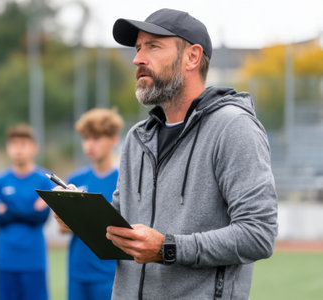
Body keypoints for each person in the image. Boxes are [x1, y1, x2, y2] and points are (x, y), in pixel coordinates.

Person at [104, 8, 278, 300]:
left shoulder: (233, 127)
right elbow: (125, 231)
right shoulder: (137, 137)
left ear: (192, 57)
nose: (137, 59)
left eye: (153, 46)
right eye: (137, 48)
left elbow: (258, 234)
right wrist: (81, 218)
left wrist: (167, 248)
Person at [59, 108, 124, 300]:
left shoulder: (124, 179)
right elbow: (63, 229)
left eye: (96, 138)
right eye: (85, 138)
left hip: (110, 273)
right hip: (77, 271)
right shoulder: (75, 178)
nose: (89, 145)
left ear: (113, 139)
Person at [0, 124, 53, 300]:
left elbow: (41, 217)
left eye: (23, 144)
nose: (18, 149)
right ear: (8, 148)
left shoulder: (44, 181)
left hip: (34, 260)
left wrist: (7, 210)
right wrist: (28, 211)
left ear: (34, 148)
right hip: (6, 260)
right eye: (14, 144)